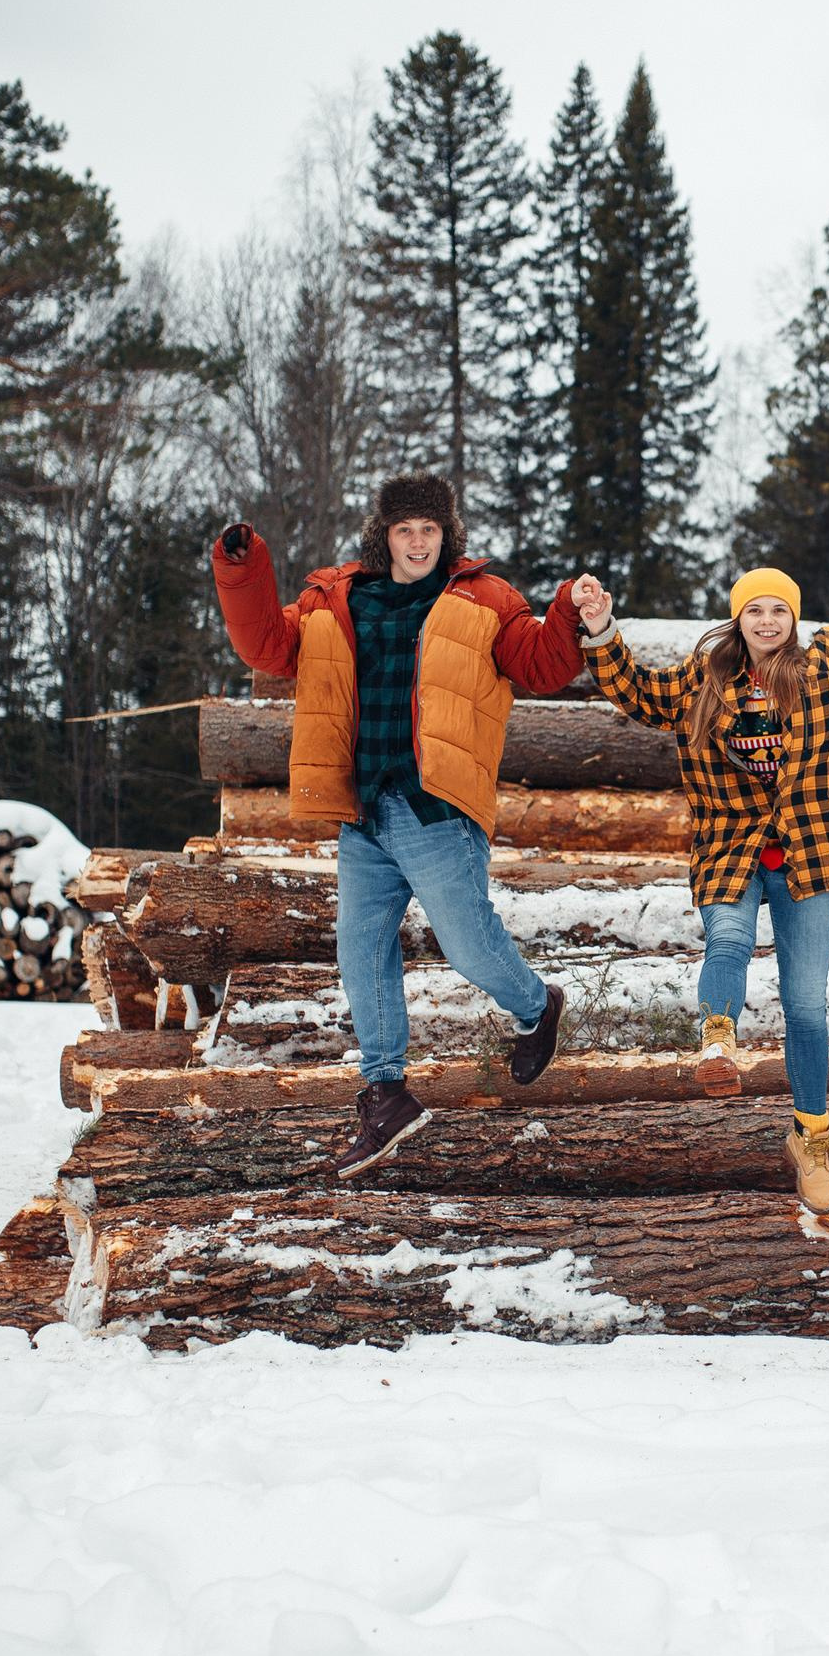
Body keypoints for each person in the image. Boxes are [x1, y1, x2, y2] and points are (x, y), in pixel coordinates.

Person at [569, 507, 829, 1212]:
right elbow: (637, 692)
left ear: (793, 619)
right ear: (738, 618)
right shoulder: (703, 681)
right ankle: (717, 1039)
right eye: (754, 609)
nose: (767, 620)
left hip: (809, 856)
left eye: (778, 609)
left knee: (806, 1007)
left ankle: (811, 1138)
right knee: (729, 939)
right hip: (730, 848)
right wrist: (601, 630)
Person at [212, 474, 582, 1174]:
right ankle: (386, 1092)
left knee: (468, 948)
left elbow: (544, 664)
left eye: (429, 530)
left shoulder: (484, 600)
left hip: (435, 808)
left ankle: (538, 1006)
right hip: (366, 812)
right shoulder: (336, 598)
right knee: (361, 953)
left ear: (447, 535)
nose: (417, 542)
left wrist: (567, 609)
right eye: (405, 529)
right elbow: (266, 645)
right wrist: (243, 567)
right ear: (384, 535)